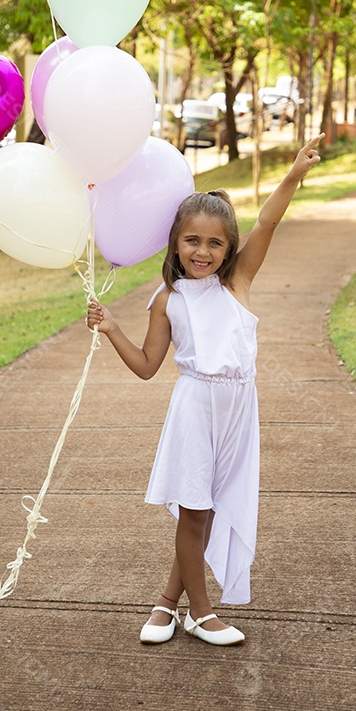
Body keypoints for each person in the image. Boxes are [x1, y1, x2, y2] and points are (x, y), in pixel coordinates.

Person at [87, 134, 325, 647]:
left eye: (215, 243)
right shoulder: (168, 298)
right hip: (196, 409)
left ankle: (165, 602)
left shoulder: (236, 283)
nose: (203, 251)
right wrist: (111, 329)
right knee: (195, 511)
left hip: (239, 411)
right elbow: (147, 366)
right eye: (192, 240)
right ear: (176, 241)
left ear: (228, 249)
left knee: (209, 511)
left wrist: (293, 175)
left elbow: (267, 222)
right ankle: (200, 613)